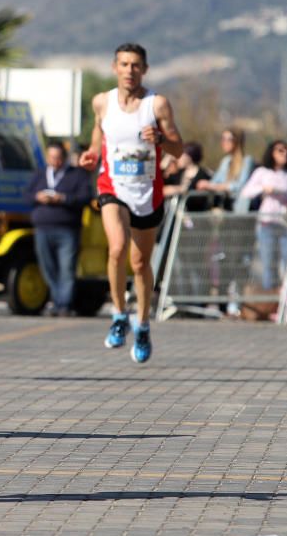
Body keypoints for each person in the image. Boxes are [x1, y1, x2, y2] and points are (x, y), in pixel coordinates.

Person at [79, 43, 183, 364]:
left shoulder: (158, 105)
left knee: (140, 264)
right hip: (113, 187)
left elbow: (179, 150)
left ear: (145, 70)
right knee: (116, 247)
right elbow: (99, 140)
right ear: (115, 68)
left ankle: (143, 324)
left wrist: (162, 141)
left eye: (136, 65)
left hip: (147, 193)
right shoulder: (102, 102)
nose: (129, 70)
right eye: (124, 64)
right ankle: (119, 315)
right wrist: (91, 156)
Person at [24, 141, 93, 317]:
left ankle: (64, 304)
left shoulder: (77, 175)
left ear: (64, 158)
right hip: (43, 228)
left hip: (67, 229)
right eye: (52, 157)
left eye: (58, 158)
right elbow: (26, 195)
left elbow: (85, 197)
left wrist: (62, 199)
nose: (55, 161)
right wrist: (37, 197)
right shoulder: (40, 174)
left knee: (66, 268)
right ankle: (56, 300)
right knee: (48, 267)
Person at [239, 140, 287, 291]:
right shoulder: (262, 172)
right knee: (269, 263)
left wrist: (278, 191)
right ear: (271, 153)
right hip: (266, 223)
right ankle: (270, 299)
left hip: (285, 223)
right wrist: (263, 188)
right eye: (280, 150)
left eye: (286, 150)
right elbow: (246, 191)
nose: (284, 153)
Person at [196, 126, 254, 211]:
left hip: (238, 207)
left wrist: (216, 186)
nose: (224, 142)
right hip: (224, 205)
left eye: (228, 139)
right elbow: (216, 180)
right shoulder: (226, 161)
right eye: (222, 139)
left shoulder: (247, 161)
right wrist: (206, 185)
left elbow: (240, 185)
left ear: (237, 141)